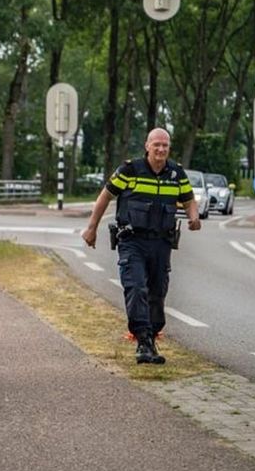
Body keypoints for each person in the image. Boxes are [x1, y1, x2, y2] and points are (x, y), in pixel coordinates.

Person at [80, 128, 201, 365]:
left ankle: (152, 337)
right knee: (136, 288)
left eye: (165, 145)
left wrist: (193, 216)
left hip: (161, 243)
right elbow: (105, 196)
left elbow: (188, 199)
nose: (161, 149)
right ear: (147, 146)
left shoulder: (176, 173)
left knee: (157, 292)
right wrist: (91, 228)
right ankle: (143, 341)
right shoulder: (130, 170)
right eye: (156, 144)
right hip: (132, 241)